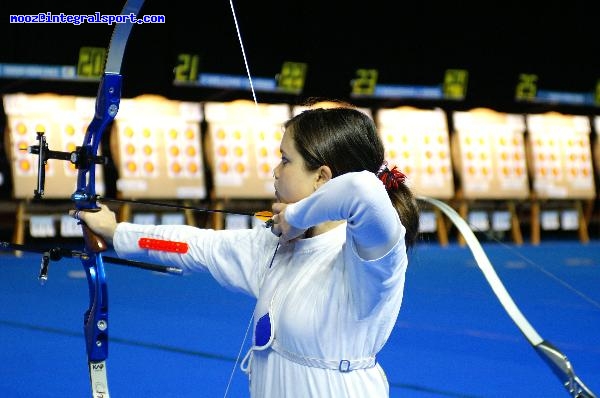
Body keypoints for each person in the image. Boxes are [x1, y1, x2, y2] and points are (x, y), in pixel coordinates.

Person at [73, 101, 420, 397]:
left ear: (322, 177)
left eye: (285, 160)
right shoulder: (277, 246)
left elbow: (362, 189)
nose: (275, 170)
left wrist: (297, 214)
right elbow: (195, 246)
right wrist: (117, 232)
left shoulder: (371, 257)